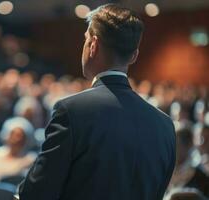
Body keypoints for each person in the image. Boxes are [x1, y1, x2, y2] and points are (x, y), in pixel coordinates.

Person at [18, 4, 176, 200]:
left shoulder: (71, 111)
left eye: (85, 40)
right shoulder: (165, 125)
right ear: (134, 55)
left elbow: (35, 194)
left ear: (93, 45)